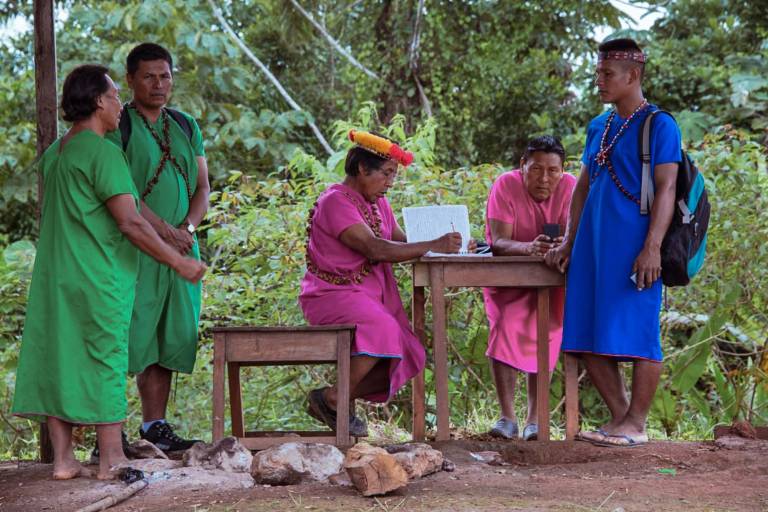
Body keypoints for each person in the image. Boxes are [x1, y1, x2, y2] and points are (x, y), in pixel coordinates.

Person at [11, 65, 206, 480]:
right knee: (105, 357)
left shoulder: (56, 153)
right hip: (98, 273)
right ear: (99, 101)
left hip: (56, 275)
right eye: (116, 96)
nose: (121, 105)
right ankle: (112, 458)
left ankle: (64, 460)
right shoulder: (104, 153)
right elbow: (131, 222)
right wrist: (179, 261)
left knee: (61, 357)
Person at [546, 38, 681, 447]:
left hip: (635, 246)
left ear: (633, 76)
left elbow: (667, 187)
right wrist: (569, 240)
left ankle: (635, 423)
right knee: (583, 335)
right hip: (592, 245)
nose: (599, 81)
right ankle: (623, 420)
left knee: (639, 333)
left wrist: (652, 246)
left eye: (608, 74)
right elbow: (583, 187)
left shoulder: (660, 124)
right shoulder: (598, 126)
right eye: (598, 73)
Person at [299, 130, 470, 435]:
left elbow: (404, 241)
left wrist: (459, 243)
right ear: (363, 168)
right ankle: (334, 398)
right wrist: (434, 243)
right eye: (387, 174)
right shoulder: (335, 201)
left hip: (366, 297)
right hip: (330, 295)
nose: (391, 183)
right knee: (384, 330)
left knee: (408, 350)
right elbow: (376, 248)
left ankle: (329, 399)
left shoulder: (378, 204)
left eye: (394, 175)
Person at [104, 43, 210, 453]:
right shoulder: (118, 126)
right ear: (129, 80)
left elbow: (202, 186)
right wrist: (163, 228)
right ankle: (110, 432)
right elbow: (122, 190)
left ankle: (155, 426)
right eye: (148, 76)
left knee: (173, 333)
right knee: (130, 332)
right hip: (138, 246)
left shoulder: (185, 124)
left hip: (184, 246)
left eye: (164, 75)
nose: (158, 84)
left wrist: (186, 226)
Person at [483, 135, 576, 440]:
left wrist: (560, 249)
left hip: (554, 276)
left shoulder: (572, 187)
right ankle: (507, 417)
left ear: (563, 170)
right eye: (536, 169)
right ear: (523, 166)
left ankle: (536, 419)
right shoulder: (505, 185)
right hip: (509, 277)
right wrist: (528, 248)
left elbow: (577, 236)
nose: (544, 178)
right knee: (504, 328)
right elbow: (498, 241)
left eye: (553, 170)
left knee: (547, 334)